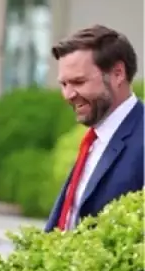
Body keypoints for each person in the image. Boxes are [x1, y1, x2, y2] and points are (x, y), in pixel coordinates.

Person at [45, 24, 143, 232]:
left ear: (117, 74)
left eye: (78, 82)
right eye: (64, 84)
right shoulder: (93, 141)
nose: (68, 95)